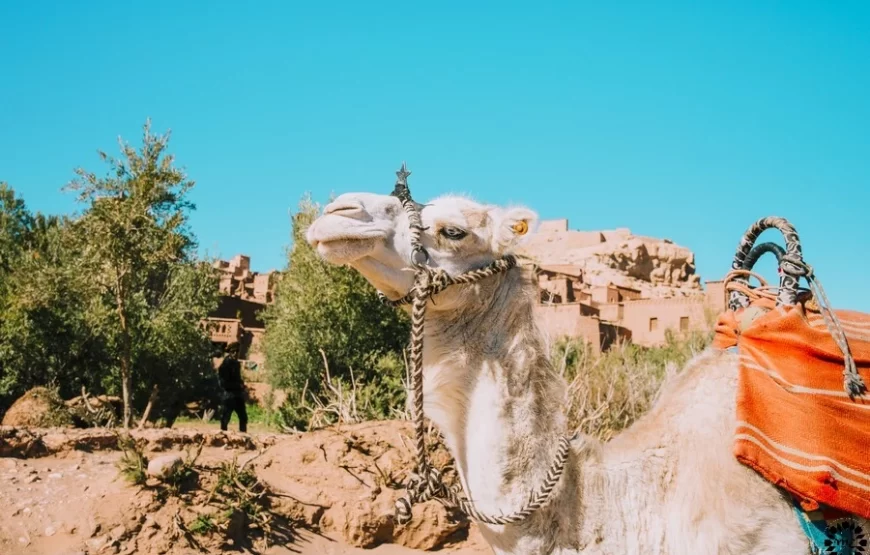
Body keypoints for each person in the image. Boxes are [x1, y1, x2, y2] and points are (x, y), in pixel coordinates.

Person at [218, 342, 248, 433]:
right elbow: (223, 384)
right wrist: (237, 385)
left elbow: (238, 378)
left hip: (238, 395)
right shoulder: (224, 366)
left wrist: (242, 384)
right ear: (229, 352)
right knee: (225, 418)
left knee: (243, 417)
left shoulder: (236, 364)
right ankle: (222, 437)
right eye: (233, 351)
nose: (235, 353)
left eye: (237, 351)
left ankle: (243, 439)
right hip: (229, 395)